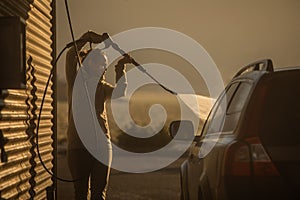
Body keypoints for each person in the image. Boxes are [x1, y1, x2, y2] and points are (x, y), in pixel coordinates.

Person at [65, 31, 132, 200]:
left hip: (102, 146)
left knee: (98, 195)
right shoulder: (75, 81)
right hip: (77, 146)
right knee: (80, 194)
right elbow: (71, 54)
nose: (102, 68)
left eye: (105, 65)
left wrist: (120, 69)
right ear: (87, 63)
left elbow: (119, 94)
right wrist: (88, 37)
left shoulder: (102, 87)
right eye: (98, 63)